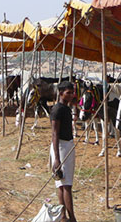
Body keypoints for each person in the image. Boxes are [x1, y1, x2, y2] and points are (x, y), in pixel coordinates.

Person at [50, 81, 77, 222]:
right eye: (68, 93)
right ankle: (71, 218)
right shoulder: (57, 110)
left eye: (72, 92)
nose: (71, 95)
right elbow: (55, 134)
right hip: (61, 147)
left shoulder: (66, 108)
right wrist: (57, 158)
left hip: (66, 146)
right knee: (66, 185)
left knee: (61, 184)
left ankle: (63, 217)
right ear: (61, 94)